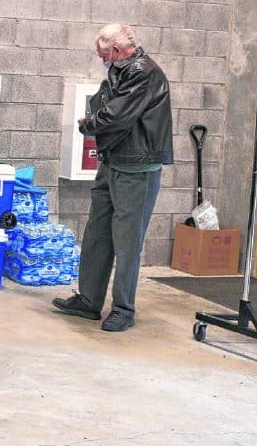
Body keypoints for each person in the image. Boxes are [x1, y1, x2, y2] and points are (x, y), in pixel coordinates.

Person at [53, 24, 173, 332]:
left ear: (117, 51)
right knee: (97, 234)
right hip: (113, 161)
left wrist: (88, 124)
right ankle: (89, 301)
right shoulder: (121, 69)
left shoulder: (144, 72)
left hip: (137, 168)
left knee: (127, 241)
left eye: (102, 53)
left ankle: (123, 309)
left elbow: (118, 115)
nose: (100, 58)